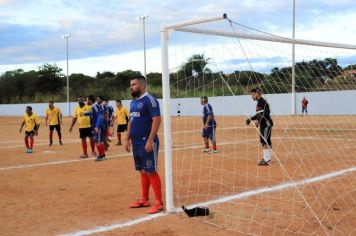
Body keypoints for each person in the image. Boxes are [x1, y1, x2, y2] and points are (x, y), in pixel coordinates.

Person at [125, 75, 163, 214]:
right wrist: (127, 138)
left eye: (134, 84)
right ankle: (144, 199)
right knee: (142, 170)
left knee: (150, 170)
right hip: (136, 143)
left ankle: (159, 203)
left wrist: (150, 140)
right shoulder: (133, 102)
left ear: (142, 85)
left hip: (147, 142)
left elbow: (157, 119)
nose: (131, 87)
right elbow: (131, 121)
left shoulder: (150, 100)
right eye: (131, 84)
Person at [246, 88, 273, 166]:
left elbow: (266, 113)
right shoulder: (259, 102)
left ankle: (267, 160)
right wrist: (250, 119)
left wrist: (259, 121)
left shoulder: (262, 101)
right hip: (264, 124)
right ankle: (267, 158)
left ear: (258, 93)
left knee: (263, 141)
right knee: (266, 140)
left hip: (266, 124)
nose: (252, 96)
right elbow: (259, 114)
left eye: (253, 94)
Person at [82, 95, 107, 161]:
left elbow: (100, 116)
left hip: (98, 126)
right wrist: (84, 114)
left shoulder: (95, 106)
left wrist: (97, 126)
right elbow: (92, 113)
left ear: (90, 100)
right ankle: (103, 155)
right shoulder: (94, 107)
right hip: (97, 126)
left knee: (97, 141)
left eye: (87, 100)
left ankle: (101, 156)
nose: (86, 101)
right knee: (99, 141)